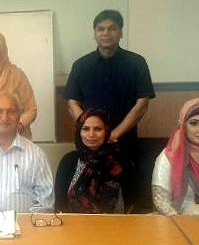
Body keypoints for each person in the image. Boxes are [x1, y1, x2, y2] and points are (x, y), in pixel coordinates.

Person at [63, 9, 155, 211]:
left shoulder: (136, 63)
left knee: (128, 202)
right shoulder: (81, 65)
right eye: (101, 29)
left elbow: (142, 104)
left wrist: (113, 134)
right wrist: (91, 130)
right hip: (90, 147)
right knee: (83, 198)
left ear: (121, 32)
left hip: (124, 145)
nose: (106, 33)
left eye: (112, 28)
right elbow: (72, 102)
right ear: (94, 33)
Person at [55, 108, 129, 214]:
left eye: (98, 129)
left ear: (107, 131)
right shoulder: (69, 161)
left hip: (115, 227)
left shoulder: (120, 161)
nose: (91, 135)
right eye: (85, 129)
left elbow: (134, 203)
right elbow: (60, 204)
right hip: (74, 227)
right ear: (79, 132)